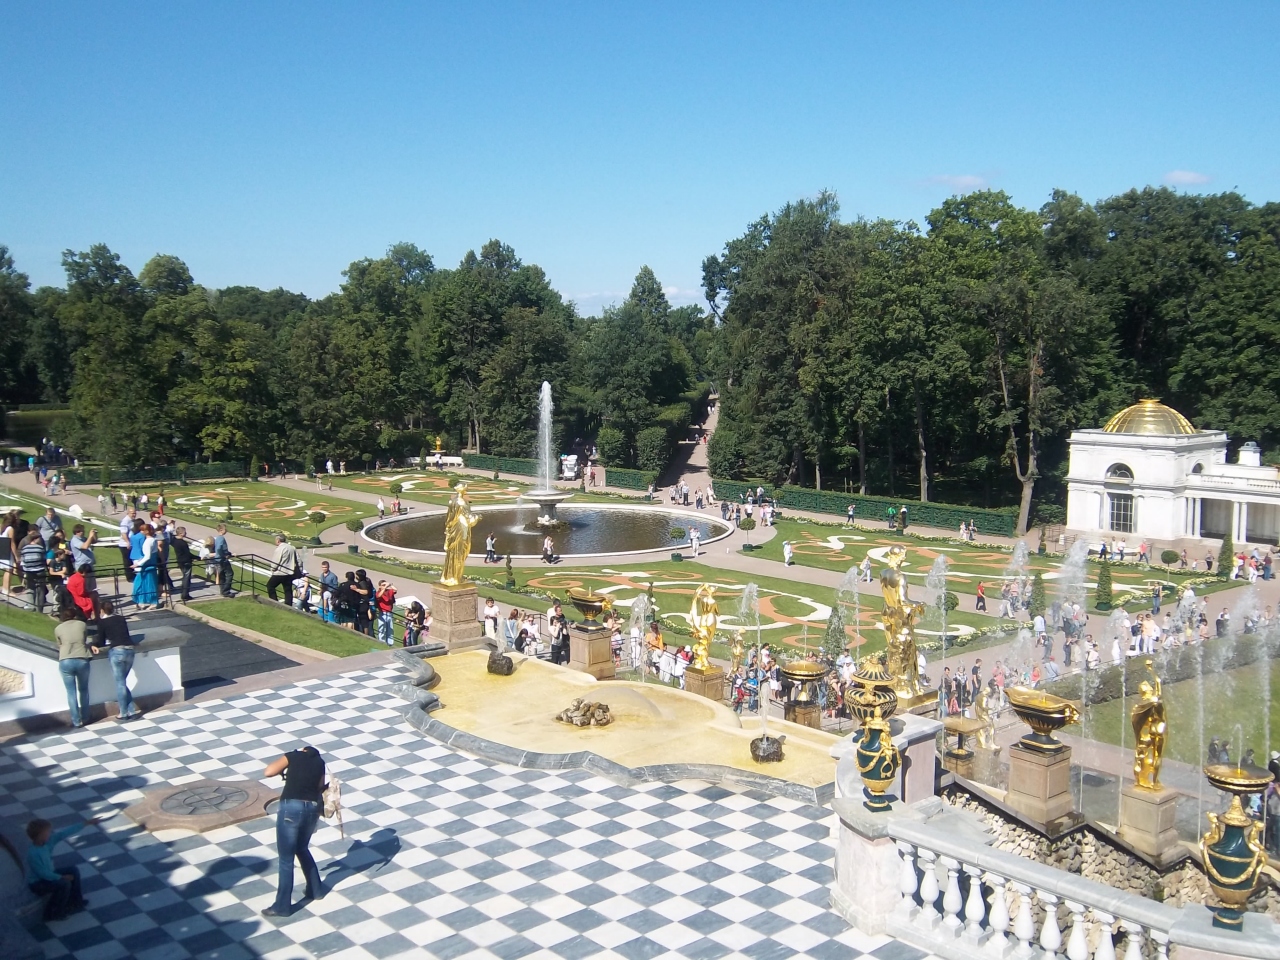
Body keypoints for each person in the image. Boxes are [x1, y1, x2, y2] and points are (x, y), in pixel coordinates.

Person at [261, 746, 327, 918]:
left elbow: (268, 772)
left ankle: (282, 906)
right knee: (302, 848)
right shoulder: (320, 762)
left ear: (303, 750)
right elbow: (320, 786)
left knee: (286, 859)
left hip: (291, 809)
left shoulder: (294, 756)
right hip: (312, 809)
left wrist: (286, 767)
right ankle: (315, 890)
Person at [25, 815, 104, 922]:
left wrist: (86, 823)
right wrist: (61, 877)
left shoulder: (48, 842)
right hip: (38, 883)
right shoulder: (33, 854)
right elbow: (43, 873)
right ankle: (55, 913)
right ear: (40, 836)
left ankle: (76, 901)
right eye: (47, 832)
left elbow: (64, 833)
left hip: (49, 874)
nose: (50, 834)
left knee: (73, 870)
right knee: (64, 884)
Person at [92, 600, 141, 721]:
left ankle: (123, 713)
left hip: (117, 651)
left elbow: (101, 641)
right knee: (122, 682)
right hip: (130, 650)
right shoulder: (121, 618)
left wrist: (93, 644)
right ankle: (131, 711)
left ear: (102, 610)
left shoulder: (102, 622)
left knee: (120, 683)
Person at [57, 607, 93, 727]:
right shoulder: (82, 625)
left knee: (71, 692)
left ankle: (76, 721)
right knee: (83, 689)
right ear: (75, 615)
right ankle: (86, 716)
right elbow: (84, 639)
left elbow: (59, 644)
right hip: (81, 658)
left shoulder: (58, 628)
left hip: (65, 659)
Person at [20, 530, 49, 613]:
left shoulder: (24, 549)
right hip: (39, 571)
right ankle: (39, 609)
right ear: (36, 539)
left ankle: (31, 606)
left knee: (30, 588)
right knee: (40, 590)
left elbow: (23, 561)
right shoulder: (40, 548)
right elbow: (44, 560)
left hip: (29, 571)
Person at [267, 534, 301, 605]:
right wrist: (298, 570)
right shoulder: (292, 548)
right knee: (288, 590)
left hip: (280, 572)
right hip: (289, 573)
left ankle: (274, 602)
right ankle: (288, 605)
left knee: (270, 586)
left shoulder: (280, 549)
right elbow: (299, 561)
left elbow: (276, 561)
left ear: (278, 540)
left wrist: (272, 569)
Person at [171, 526, 194, 602]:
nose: (186, 533)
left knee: (185, 577)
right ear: (181, 533)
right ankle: (185, 594)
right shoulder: (183, 543)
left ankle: (184, 593)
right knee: (186, 578)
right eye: (185, 532)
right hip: (186, 561)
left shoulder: (175, 541)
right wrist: (197, 557)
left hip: (180, 561)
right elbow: (188, 554)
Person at [214, 523, 234, 596]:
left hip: (218, 559)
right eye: (225, 529)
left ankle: (222, 590)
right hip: (222, 559)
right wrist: (225, 555)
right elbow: (219, 548)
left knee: (221, 575)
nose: (226, 530)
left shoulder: (217, 538)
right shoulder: (221, 538)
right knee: (229, 574)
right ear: (221, 530)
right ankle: (226, 591)